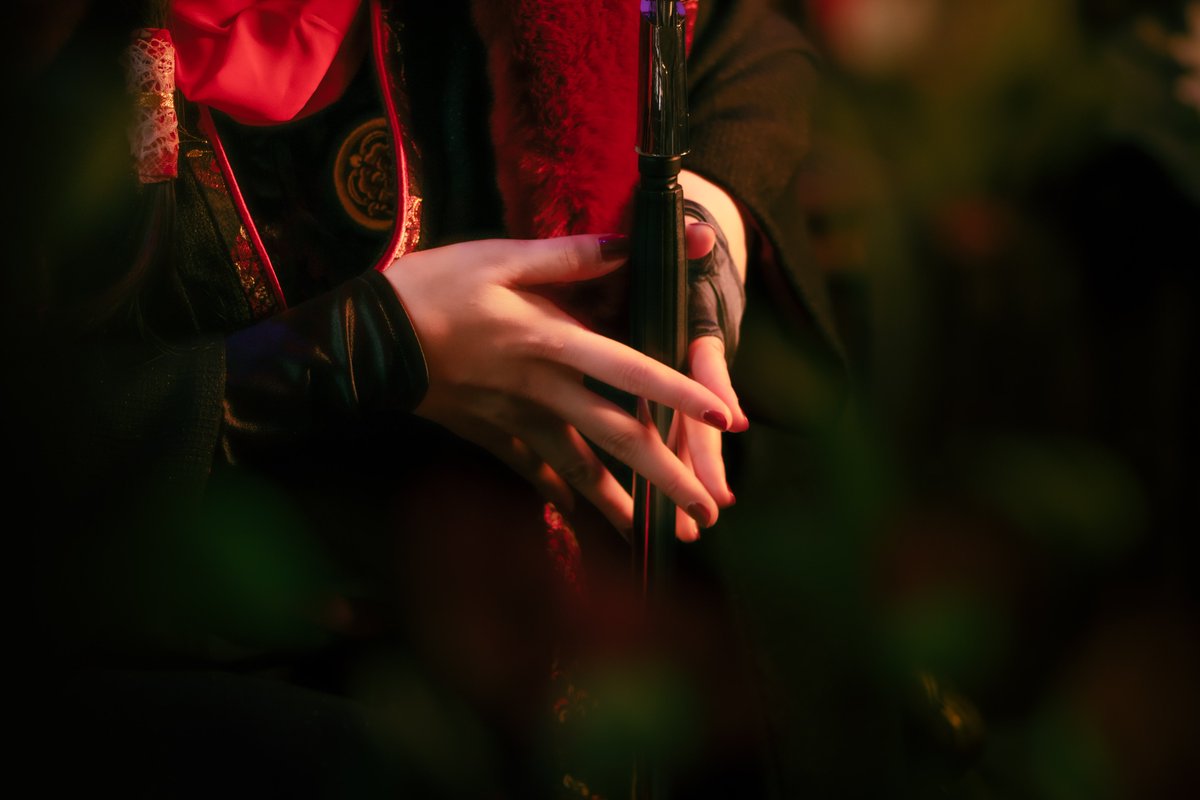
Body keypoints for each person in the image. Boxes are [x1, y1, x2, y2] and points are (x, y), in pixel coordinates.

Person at [7, 0, 844, 796]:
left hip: (501, 653)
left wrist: (701, 229)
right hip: (173, 676)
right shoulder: (54, 57)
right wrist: (361, 347)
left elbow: (740, 39)